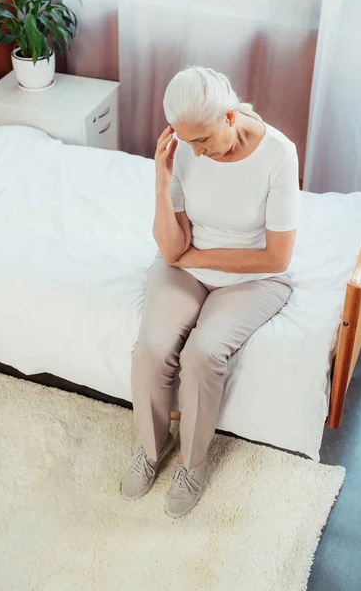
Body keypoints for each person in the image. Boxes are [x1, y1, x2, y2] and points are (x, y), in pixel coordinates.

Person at [121, 66, 299, 518]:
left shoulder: (279, 155)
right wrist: (161, 184)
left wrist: (197, 257)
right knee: (151, 349)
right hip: (187, 267)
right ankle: (150, 446)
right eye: (187, 142)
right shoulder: (184, 149)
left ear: (230, 117)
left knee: (202, 354)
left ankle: (191, 464)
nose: (195, 153)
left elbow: (277, 258)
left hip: (253, 277)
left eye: (202, 141)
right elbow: (172, 247)